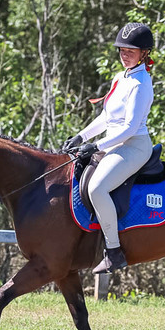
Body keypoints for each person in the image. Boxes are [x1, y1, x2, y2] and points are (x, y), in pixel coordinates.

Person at [64, 22, 155, 274]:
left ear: (144, 53)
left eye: (131, 51)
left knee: (97, 188)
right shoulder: (121, 77)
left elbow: (128, 128)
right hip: (113, 144)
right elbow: (106, 118)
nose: (124, 55)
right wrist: (81, 136)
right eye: (122, 50)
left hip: (133, 146)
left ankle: (114, 252)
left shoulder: (140, 84)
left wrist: (96, 145)